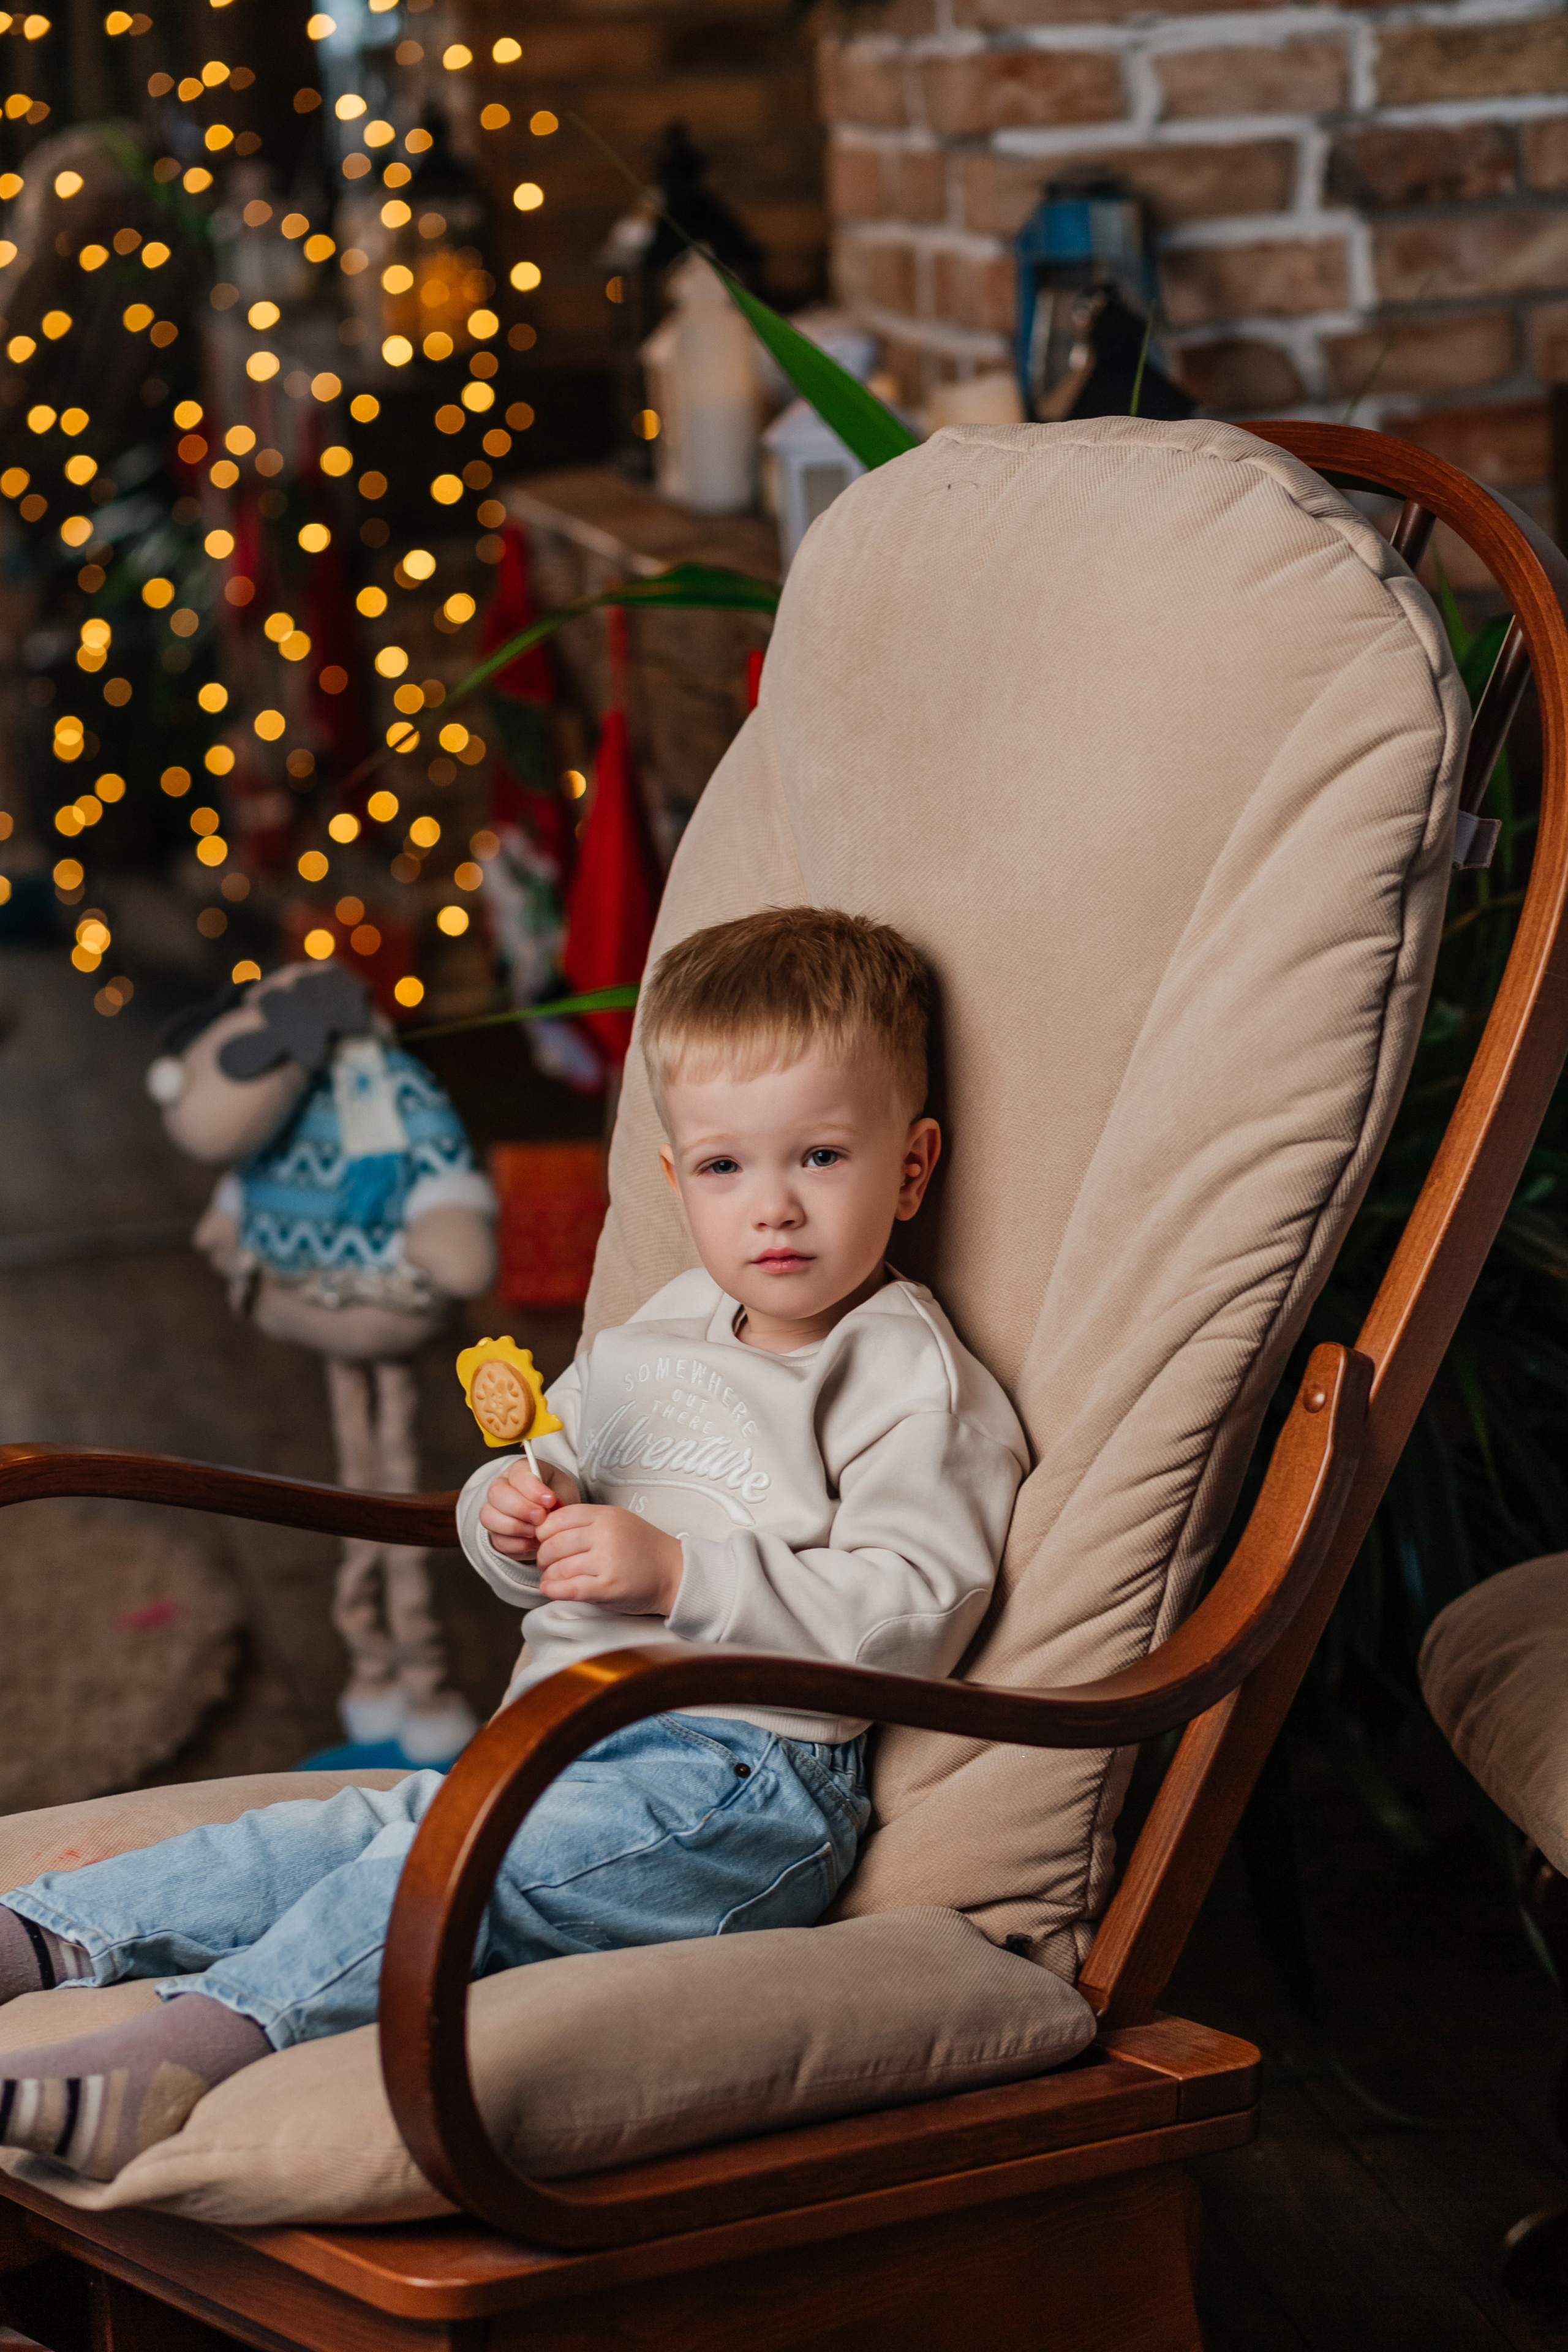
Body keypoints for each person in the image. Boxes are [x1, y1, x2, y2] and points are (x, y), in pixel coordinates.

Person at [0, 908, 1027, 2181]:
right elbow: (550, 1503)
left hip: (737, 1784)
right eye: (724, 1169)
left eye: (820, 1157)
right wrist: (510, 1514)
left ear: (911, 1167)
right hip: (545, 1735)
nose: (771, 1209)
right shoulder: (663, 1330)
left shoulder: (907, 1382)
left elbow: (913, 1610)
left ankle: (193, 2048)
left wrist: (679, 1577)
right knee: (340, 1836)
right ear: (674, 1180)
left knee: (456, 1880)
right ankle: (42, 1938)